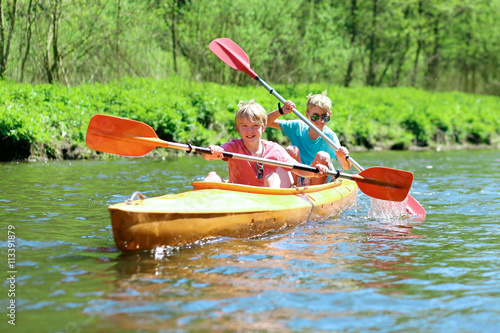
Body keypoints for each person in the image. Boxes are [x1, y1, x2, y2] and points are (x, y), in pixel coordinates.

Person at [203, 100, 329, 188]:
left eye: (255, 126)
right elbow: (207, 156)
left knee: (272, 177)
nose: (250, 131)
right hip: (238, 197)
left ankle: (271, 216)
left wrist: (315, 172)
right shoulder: (233, 146)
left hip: (264, 200)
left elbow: (299, 170)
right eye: (245, 126)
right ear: (238, 129)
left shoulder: (274, 149)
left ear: (263, 128)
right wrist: (212, 151)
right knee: (212, 176)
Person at [267, 90, 351, 186]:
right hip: (298, 177)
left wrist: (344, 156)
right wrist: (281, 111)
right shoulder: (297, 127)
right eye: (315, 117)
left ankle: (313, 192)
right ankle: (292, 188)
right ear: (307, 115)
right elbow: (264, 123)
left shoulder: (330, 137)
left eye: (324, 117)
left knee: (322, 156)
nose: (320, 121)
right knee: (292, 150)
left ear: (329, 115)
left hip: (317, 180)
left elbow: (346, 166)